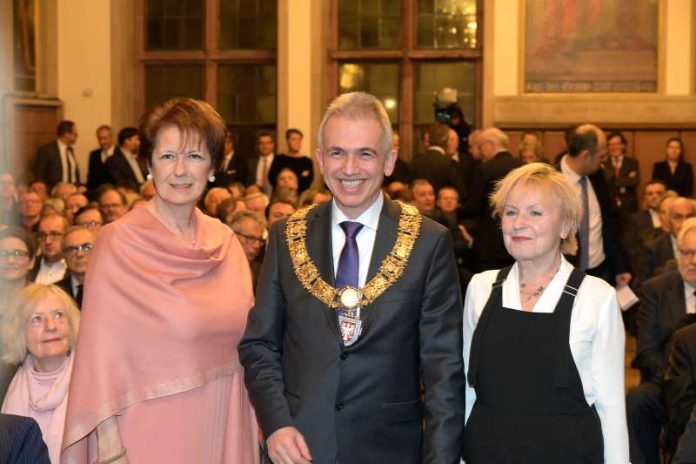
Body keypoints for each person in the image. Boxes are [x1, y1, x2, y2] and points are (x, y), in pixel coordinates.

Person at [239, 91, 464, 464]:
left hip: (390, 449)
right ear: (320, 161)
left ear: (389, 161)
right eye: (338, 152)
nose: (350, 168)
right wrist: (275, 423)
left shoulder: (429, 242)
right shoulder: (285, 236)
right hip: (298, 446)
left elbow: (443, 371)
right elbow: (259, 346)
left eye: (365, 153)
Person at [62, 98, 259, 463]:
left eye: (195, 157)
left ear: (213, 166)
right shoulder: (118, 242)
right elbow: (98, 354)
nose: (180, 171)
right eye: (168, 156)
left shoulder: (227, 242)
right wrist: (109, 448)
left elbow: (252, 345)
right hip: (147, 428)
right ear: (149, 164)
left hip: (225, 415)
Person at [463, 163, 629, 463]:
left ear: (565, 225)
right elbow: (467, 389)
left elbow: (611, 405)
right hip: (488, 451)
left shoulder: (597, 296)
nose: (518, 223)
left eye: (535, 213)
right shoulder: (480, 287)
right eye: (511, 212)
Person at [628, 217, 696, 464]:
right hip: (664, 381)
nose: (694, 261)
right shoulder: (655, 289)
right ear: (678, 253)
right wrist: (675, 381)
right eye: (687, 253)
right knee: (637, 402)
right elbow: (646, 351)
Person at [1, 284, 80, 463]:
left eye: (59, 315)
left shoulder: (93, 382)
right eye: (37, 319)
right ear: (19, 331)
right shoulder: (4, 386)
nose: (51, 326)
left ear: (72, 324)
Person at [0, 228, 37, 403]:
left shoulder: (45, 301)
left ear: (31, 261)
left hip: (32, 393)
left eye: (18, 253)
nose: (10, 260)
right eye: (3, 254)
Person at [34, 121, 81, 189]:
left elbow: (74, 173)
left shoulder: (70, 150)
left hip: (72, 191)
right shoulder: (47, 150)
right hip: (54, 192)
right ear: (67, 134)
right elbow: (40, 175)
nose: (77, 136)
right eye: (75, 134)